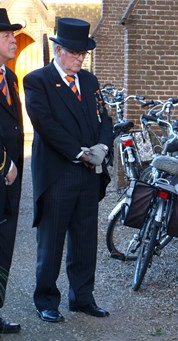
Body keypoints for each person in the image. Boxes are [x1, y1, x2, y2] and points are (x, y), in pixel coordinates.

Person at [24, 17, 113, 323]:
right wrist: (79, 152)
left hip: (90, 173)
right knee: (52, 241)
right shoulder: (38, 81)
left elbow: (105, 119)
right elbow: (45, 124)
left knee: (85, 238)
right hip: (58, 172)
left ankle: (82, 297)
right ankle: (46, 299)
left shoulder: (89, 81)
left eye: (83, 54)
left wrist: (102, 147)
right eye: (74, 53)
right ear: (58, 50)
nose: (79, 58)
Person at [0, 9, 24, 334]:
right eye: (6, 35)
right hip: (3, 173)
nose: (13, 40)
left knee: (3, 245)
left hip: (9, 186)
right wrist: (5, 164)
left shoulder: (10, 77)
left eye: (13, 35)